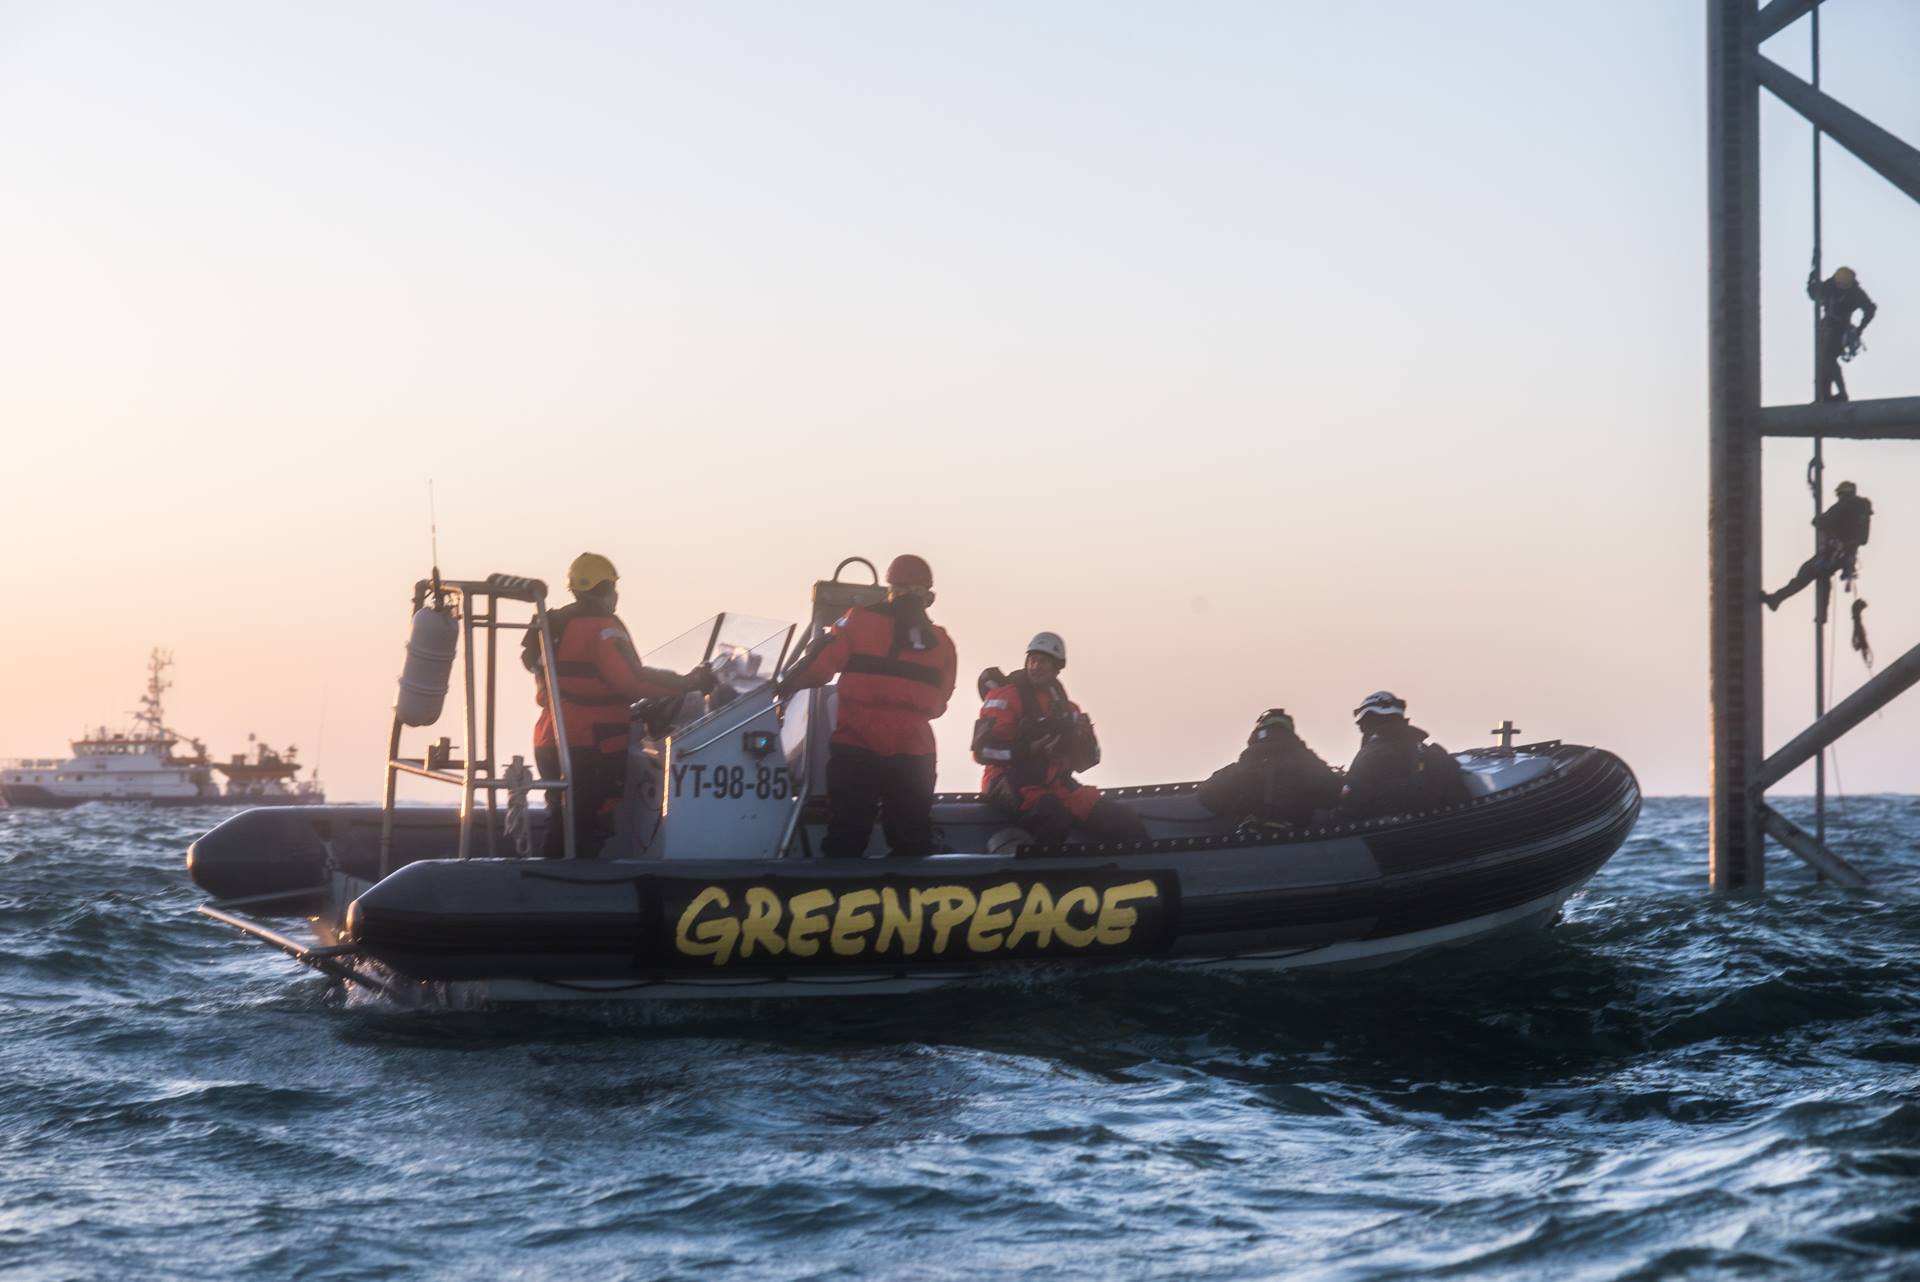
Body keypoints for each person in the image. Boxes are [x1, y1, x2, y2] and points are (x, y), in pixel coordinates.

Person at [520, 552, 713, 859]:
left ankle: (550, 880)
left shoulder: (552, 624)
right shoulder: (603, 626)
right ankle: (574, 888)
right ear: (607, 588)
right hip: (590, 740)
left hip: (550, 737)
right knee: (588, 820)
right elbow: (630, 681)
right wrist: (688, 683)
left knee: (562, 816)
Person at [774, 554, 957, 858]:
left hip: (858, 742)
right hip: (914, 748)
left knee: (847, 834)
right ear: (927, 596)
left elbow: (818, 666)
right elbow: (940, 701)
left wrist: (782, 686)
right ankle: (908, 899)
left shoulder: (857, 621)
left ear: (891, 589)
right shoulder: (942, 642)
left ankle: (834, 897)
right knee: (912, 840)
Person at [973, 632, 1149, 847]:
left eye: (1044, 662)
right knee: (1052, 818)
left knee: (1122, 820)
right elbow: (983, 751)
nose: (1036, 666)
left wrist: (1083, 738)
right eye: (1033, 660)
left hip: (1056, 784)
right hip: (1008, 781)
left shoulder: (1068, 710)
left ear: (1057, 668)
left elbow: (1087, 761)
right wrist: (1027, 749)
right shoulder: (1005, 698)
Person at [1196, 708, 1342, 829]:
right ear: (1289, 732)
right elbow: (1334, 793)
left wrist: (1239, 807)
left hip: (1253, 838)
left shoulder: (1246, 764)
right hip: (1297, 836)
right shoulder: (1308, 761)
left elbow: (1208, 793)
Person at [1339, 691, 1468, 820]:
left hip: (1393, 831)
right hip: (1444, 821)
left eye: (1363, 725)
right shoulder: (1425, 749)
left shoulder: (1371, 753)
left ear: (1369, 721)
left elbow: (1352, 801)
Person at [1764, 480, 1873, 612]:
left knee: (1807, 573)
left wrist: (1836, 539)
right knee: (1822, 575)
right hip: (1844, 555)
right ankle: (1819, 613)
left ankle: (1777, 599)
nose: (1838, 498)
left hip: (1834, 552)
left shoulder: (1844, 505)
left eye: (1839, 495)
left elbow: (1819, 521)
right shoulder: (1861, 510)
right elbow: (1863, 539)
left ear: (1844, 493)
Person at [1809, 266, 1877, 404]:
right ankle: (1825, 396)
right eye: (1838, 285)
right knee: (1823, 362)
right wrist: (1811, 280)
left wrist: (1859, 329)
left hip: (1839, 329)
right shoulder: (1831, 285)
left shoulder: (1855, 292)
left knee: (1828, 359)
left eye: (1842, 286)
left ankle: (1842, 393)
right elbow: (1814, 294)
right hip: (1826, 327)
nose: (1839, 287)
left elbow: (1870, 309)